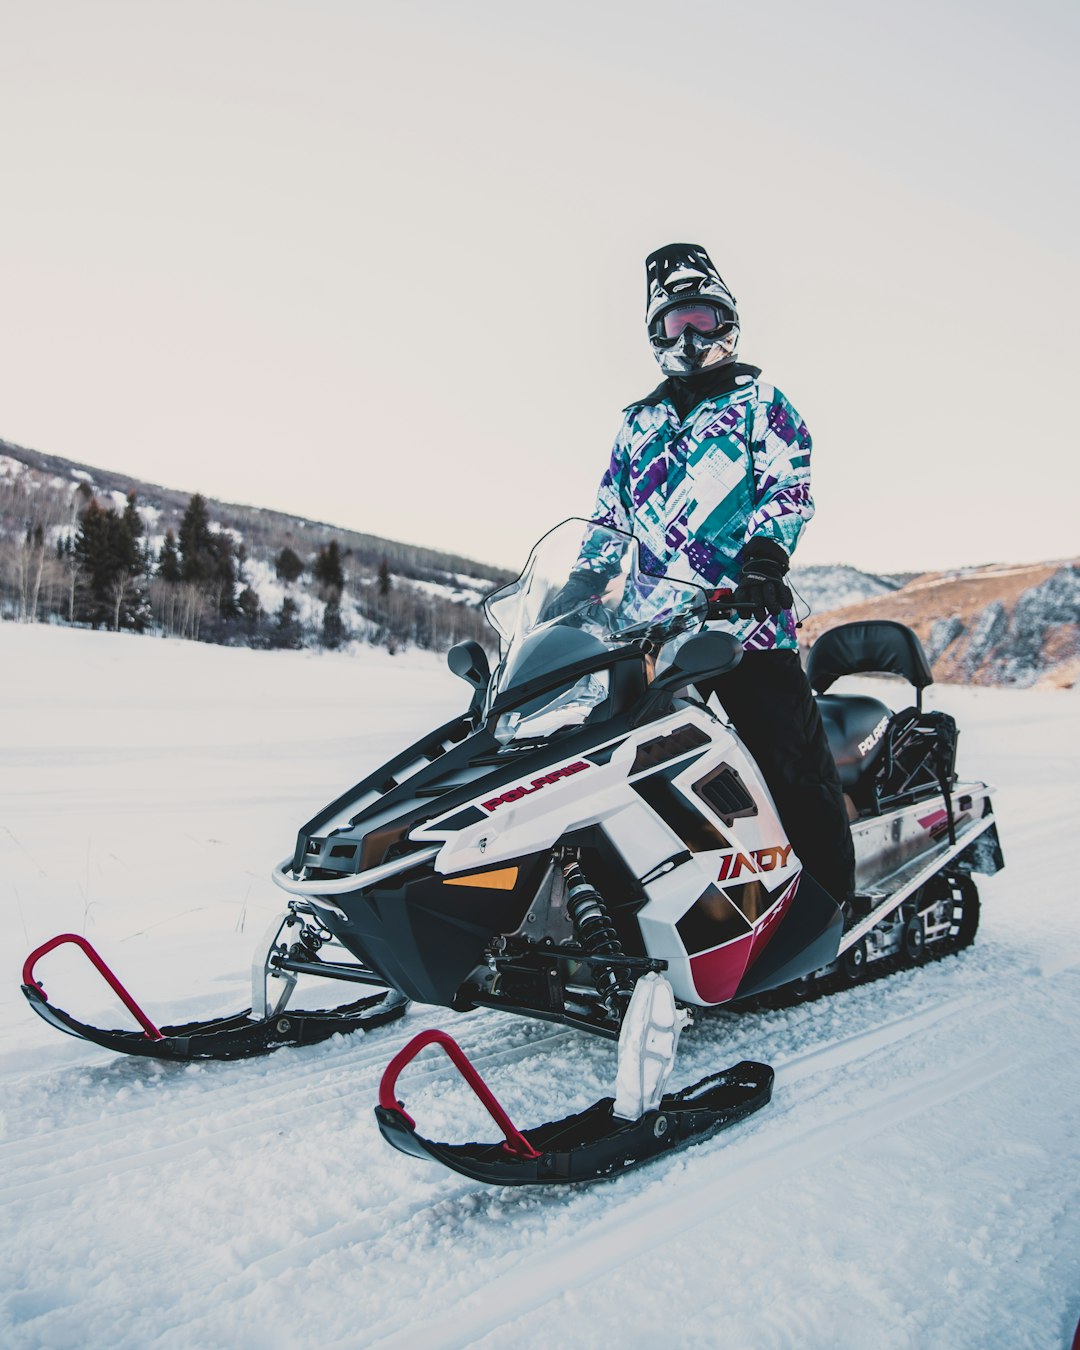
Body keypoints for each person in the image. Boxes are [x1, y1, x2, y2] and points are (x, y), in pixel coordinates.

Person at [587, 242, 855, 907]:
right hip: (648, 635)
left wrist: (766, 556)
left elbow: (787, 486)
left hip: (744, 624)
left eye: (705, 317)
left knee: (788, 766)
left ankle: (827, 908)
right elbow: (606, 515)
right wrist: (581, 583)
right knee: (613, 770)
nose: (694, 334)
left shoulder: (763, 402)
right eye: (679, 322)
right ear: (657, 332)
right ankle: (637, 908)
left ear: (729, 321)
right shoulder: (637, 425)